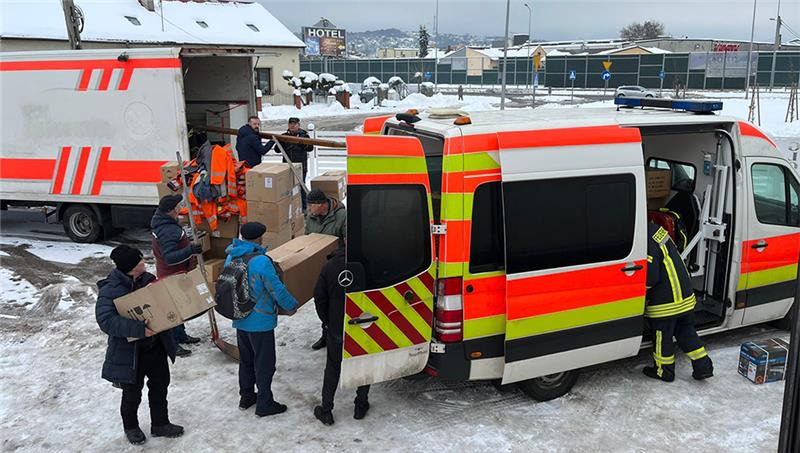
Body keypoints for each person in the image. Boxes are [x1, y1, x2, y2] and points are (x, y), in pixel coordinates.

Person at [95, 245, 184, 445]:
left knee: (160, 387)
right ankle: (131, 427)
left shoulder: (148, 280)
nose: (145, 263)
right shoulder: (111, 290)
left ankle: (160, 423)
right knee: (132, 394)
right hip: (130, 354)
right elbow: (105, 321)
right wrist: (139, 329)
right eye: (140, 261)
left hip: (156, 346)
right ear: (132, 267)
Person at [225, 221, 298, 416]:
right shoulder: (261, 261)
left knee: (246, 359)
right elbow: (276, 288)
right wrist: (290, 305)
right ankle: (265, 402)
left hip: (240, 317)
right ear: (260, 238)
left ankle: (246, 395)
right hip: (260, 321)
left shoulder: (232, 255)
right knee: (264, 363)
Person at [644, 222, 714, 382]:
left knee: (663, 337)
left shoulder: (645, 239)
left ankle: (664, 372)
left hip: (666, 302)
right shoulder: (656, 231)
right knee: (685, 331)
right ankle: (703, 366)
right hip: (685, 296)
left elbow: (651, 277)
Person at [313, 245, 370, 425]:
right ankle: (361, 405)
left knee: (333, 367)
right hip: (363, 323)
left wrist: (327, 321)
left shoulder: (329, 267)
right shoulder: (368, 263)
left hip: (338, 325)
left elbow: (319, 297)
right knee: (363, 363)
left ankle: (326, 409)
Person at [151, 194, 204, 358]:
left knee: (180, 308)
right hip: (172, 276)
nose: (180, 207)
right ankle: (173, 344)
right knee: (174, 310)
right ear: (171, 210)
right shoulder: (168, 230)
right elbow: (170, 257)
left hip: (176, 273)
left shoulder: (165, 223)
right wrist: (191, 250)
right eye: (178, 205)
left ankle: (181, 335)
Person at [305, 189, 346, 350]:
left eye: (311, 205)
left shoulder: (342, 216)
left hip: (336, 268)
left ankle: (338, 336)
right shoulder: (311, 218)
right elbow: (307, 238)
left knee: (337, 304)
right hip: (318, 267)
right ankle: (326, 332)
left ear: (321, 205)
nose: (309, 209)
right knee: (320, 300)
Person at [275, 117, 314, 209]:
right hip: (287, 166)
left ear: (298, 125)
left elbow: (310, 148)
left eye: (294, 124)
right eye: (291, 124)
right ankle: (289, 207)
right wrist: (280, 142)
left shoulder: (304, 135)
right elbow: (277, 150)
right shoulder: (284, 136)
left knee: (301, 186)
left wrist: (302, 143)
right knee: (287, 187)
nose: (292, 125)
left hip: (301, 166)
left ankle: (304, 207)